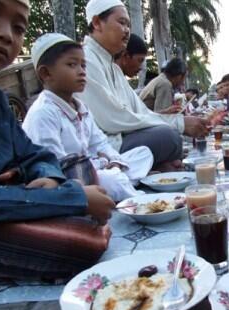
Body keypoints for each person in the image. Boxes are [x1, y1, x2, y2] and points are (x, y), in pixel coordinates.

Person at [0, 0, 114, 279]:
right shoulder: (44, 111)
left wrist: (49, 178)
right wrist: (71, 197)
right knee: (82, 240)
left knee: (83, 217)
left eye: (18, 26)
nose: (6, 34)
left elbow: (36, 155)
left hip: (18, 198)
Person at [78, 0, 208, 171]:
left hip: (125, 137)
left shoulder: (111, 65)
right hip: (105, 148)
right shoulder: (86, 60)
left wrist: (177, 121)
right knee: (169, 137)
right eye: (121, 23)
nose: (127, 31)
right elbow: (112, 120)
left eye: (128, 25)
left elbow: (140, 111)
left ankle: (159, 166)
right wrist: (179, 124)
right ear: (96, 23)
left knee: (169, 136)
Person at [23, 33, 154, 201]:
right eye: (72, 65)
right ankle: (136, 198)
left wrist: (114, 162)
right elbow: (55, 167)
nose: (82, 72)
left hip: (96, 169)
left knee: (143, 153)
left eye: (83, 66)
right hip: (72, 181)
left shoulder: (81, 107)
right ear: (46, 73)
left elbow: (100, 143)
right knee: (113, 180)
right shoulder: (44, 113)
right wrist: (103, 167)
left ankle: (121, 185)